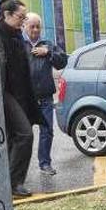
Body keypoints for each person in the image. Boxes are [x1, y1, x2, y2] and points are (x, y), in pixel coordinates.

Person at [0, 0, 43, 197]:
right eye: (20, 17)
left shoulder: (16, 36)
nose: (23, 22)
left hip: (20, 94)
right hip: (3, 94)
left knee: (13, 138)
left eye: (25, 18)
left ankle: (7, 183)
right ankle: (14, 183)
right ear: (7, 14)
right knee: (25, 135)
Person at [23, 13, 68, 176]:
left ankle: (45, 163)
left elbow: (63, 61)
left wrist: (48, 52)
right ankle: (20, 169)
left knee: (47, 131)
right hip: (25, 100)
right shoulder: (19, 45)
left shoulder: (48, 44)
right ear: (24, 27)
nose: (35, 29)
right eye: (32, 26)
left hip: (46, 98)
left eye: (38, 26)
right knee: (23, 135)